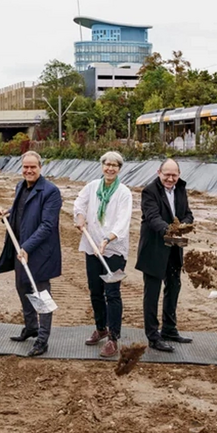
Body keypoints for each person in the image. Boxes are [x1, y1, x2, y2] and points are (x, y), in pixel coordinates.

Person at [0, 151, 62, 357]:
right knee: (22, 287)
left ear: (40, 168)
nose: (29, 170)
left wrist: (28, 247)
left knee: (41, 293)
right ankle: (31, 327)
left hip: (39, 252)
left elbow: (47, 225)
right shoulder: (20, 186)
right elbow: (21, 209)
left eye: (33, 167)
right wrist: (6, 212)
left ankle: (42, 339)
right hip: (20, 249)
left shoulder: (51, 192)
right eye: (26, 167)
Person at [73, 151, 132, 359]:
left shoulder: (124, 193)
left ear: (119, 168)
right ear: (102, 166)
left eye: (115, 165)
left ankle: (113, 338)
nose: (110, 168)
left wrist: (107, 240)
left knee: (112, 292)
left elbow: (122, 221)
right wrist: (80, 217)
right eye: (107, 164)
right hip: (92, 246)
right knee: (95, 290)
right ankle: (101, 327)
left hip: (113, 250)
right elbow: (79, 204)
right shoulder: (92, 187)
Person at [135, 158, 194, 352]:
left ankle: (169, 329)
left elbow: (187, 214)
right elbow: (152, 217)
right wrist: (171, 229)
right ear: (158, 172)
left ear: (179, 175)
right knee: (152, 293)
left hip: (174, 247)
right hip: (154, 248)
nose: (170, 178)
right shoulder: (149, 191)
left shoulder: (180, 189)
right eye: (167, 174)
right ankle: (153, 336)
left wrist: (185, 224)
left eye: (174, 175)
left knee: (173, 287)